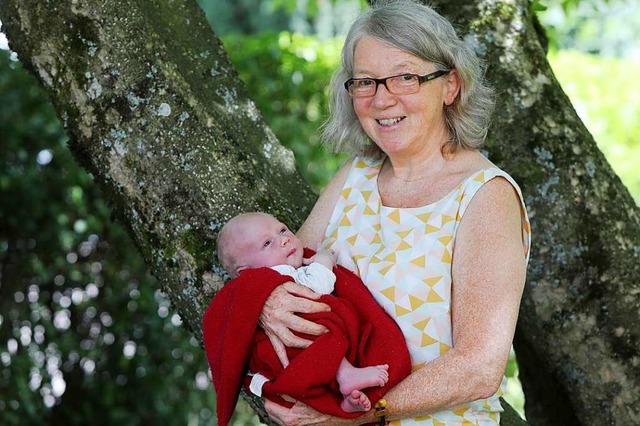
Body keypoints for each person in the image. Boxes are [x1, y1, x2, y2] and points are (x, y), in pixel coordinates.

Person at [258, 1, 532, 425]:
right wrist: (268, 301)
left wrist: (353, 416)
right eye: (365, 82)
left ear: (450, 86)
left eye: (405, 77)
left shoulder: (484, 196)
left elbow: (478, 367)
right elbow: (289, 270)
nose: (382, 99)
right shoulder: (355, 175)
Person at [202, 212, 411, 426]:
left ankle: (343, 403)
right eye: (267, 243)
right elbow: (317, 287)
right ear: (245, 272)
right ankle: (346, 375)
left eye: (282, 229)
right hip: (295, 349)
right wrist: (323, 259)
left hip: (296, 365)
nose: (284, 239)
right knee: (327, 321)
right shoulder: (275, 276)